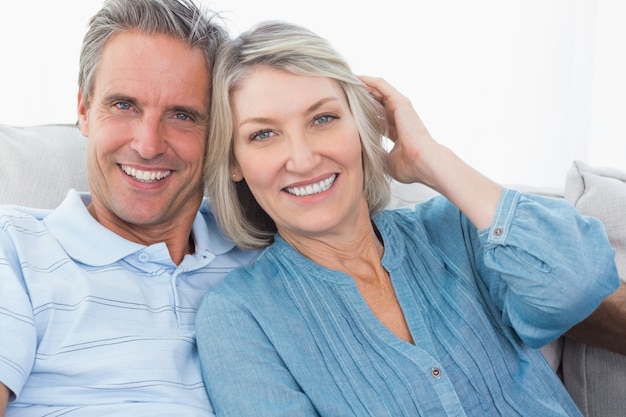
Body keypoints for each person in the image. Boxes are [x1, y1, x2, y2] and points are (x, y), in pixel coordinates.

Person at [194, 20, 621, 416]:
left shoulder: (455, 230)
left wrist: (430, 158)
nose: (304, 159)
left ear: (362, 128)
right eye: (263, 134)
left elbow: (579, 282)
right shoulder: (239, 315)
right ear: (234, 162)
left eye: (323, 118)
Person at [0, 0, 259, 415]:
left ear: (217, 132)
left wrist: (404, 166)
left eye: (182, 115)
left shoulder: (261, 251)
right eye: (124, 105)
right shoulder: (13, 249)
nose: (148, 144)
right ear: (84, 110)